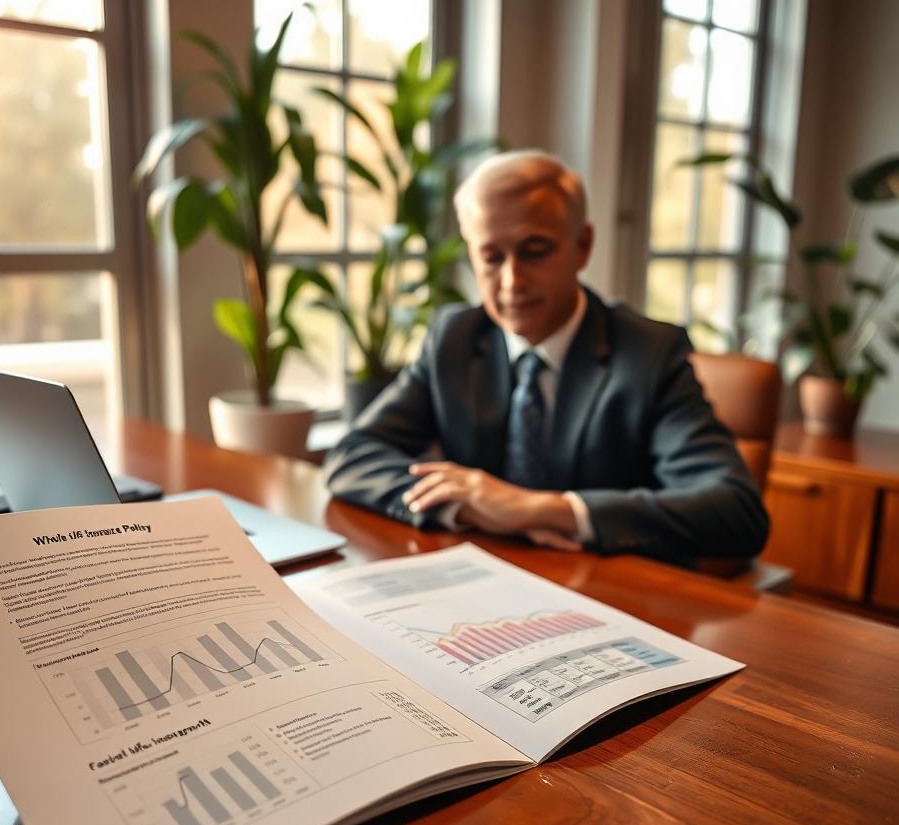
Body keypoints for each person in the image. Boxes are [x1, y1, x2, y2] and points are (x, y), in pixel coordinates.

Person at [324, 150, 769, 564]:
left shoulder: (648, 355)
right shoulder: (455, 338)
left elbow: (736, 510)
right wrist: (470, 506)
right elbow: (352, 456)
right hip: (485, 586)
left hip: (610, 596)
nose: (512, 281)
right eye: (491, 258)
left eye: (534, 252)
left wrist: (544, 509)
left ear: (582, 246)